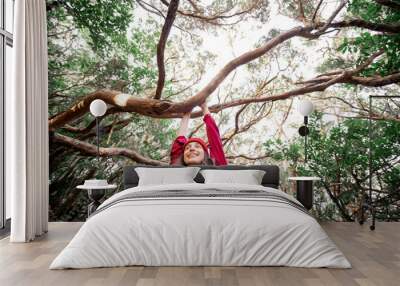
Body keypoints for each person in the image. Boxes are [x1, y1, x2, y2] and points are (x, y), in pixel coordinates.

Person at [170, 102, 227, 166]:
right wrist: (187, 113)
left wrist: (204, 107)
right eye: (187, 148)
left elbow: (215, 140)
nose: (191, 149)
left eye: (197, 146)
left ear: (205, 154)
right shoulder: (176, 168)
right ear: (183, 157)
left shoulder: (217, 167)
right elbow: (179, 142)